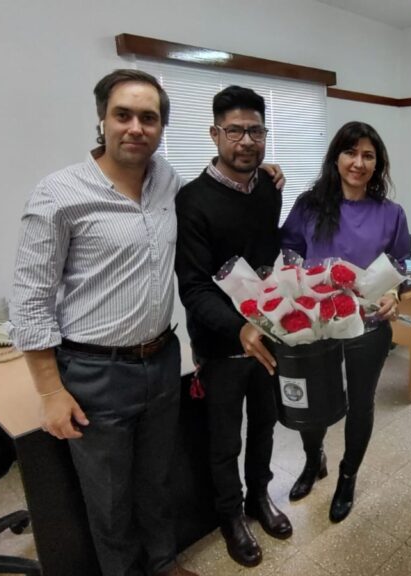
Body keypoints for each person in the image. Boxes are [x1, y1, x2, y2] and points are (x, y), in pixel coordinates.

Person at [10, 69, 197, 576]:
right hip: (97, 373)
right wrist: (50, 391)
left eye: (149, 118)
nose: (136, 127)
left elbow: (212, 195)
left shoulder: (167, 181)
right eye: (123, 115)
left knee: (157, 480)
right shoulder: (59, 193)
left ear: (161, 127)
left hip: (162, 359)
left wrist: (264, 171)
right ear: (102, 120)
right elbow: (30, 299)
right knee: (110, 499)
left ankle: (163, 563)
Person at [174, 85, 291, 568]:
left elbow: (268, 258)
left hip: (267, 334)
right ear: (215, 134)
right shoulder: (191, 200)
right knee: (224, 440)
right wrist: (239, 328)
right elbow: (193, 286)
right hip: (221, 344)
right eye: (236, 131)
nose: (246, 141)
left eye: (256, 131)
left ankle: (259, 497)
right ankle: (230, 516)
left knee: (265, 426)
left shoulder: (268, 189)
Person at [280, 121, 410, 522]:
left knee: (360, 402)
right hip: (314, 323)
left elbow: (399, 264)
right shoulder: (310, 205)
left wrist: (392, 294)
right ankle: (312, 460)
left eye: (368, 156)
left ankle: (348, 476)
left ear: (378, 164)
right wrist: (296, 285)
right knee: (314, 399)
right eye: (350, 152)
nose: (358, 163)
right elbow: (289, 251)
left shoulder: (390, 213)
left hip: (367, 326)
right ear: (336, 158)